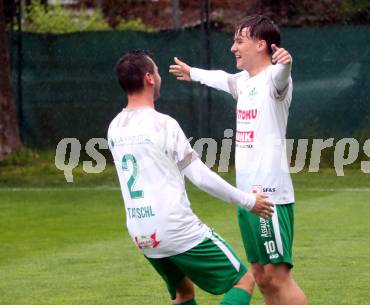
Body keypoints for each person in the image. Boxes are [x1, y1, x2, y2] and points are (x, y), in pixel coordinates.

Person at [108, 50, 274, 305]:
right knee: (243, 281)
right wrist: (249, 201)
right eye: (158, 72)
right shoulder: (163, 124)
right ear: (149, 78)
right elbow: (201, 177)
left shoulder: (115, 126)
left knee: (183, 292)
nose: (161, 77)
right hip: (175, 228)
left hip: (142, 232)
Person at [169, 15, 308, 305]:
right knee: (260, 275)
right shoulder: (244, 82)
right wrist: (192, 72)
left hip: (270, 199)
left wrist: (286, 63)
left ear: (261, 45)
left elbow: (282, 76)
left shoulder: (274, 79)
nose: (233, 47)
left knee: (278, 276)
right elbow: (221, 78)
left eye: (239, 41)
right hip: (248, 197)